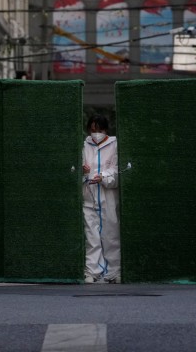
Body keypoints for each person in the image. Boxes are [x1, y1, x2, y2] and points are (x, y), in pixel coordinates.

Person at [82, 114, 120, 283]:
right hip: (88, 194)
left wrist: (103, 177)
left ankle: (114, 272)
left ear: (105, 130)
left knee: (111, 234)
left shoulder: (115, 145)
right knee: (91, 235)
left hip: (108, 196)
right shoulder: (85, 145)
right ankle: (92, 271)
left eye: (98, 130)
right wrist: (84, 171)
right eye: (92, 130)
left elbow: (116, 170)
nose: (95, 133)